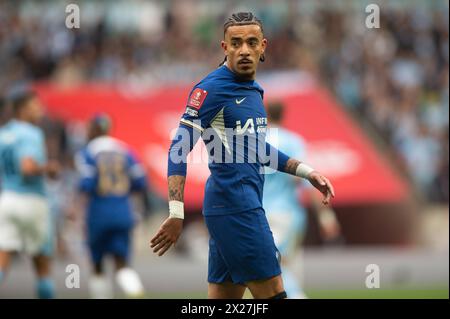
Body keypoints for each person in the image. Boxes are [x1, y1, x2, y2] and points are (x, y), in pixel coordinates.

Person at [150, 12, 335, 299]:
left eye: (251, 42)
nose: (244, 50)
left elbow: (257, 150)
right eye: (236, 43)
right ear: (225, 48)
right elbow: (178, 149)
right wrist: (176, 212)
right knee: (274, 293)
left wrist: (307, 172)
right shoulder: (210, 89)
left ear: (263, 46)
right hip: (237, 208)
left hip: (233, 207)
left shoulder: (253, 91)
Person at [263, 102, 341, 299]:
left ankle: (294, 293)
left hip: (259, 213)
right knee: (282, 264)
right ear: (283, 114)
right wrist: (326, 216)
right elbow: (305, 181)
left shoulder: (256, 141)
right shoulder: (293, 141)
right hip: (287, 214)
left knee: (273, 266)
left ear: (265, 113)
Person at [75, 114, 147, 298]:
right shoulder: (124, 149)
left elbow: (87, 184)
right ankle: (136, 293)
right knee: (122, 263)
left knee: (97, 264)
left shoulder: (88, 152)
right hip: (123, 210)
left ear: (93, 129)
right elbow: (140, 181)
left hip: (98, 212)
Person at [0, 91, 59, 298]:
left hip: (7, 200)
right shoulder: (30, 133)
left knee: (2, 261)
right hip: (31, 200)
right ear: (23, 109)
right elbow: (26, 167)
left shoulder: (4, 133)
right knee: (42, 266)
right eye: (36, 105)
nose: (40, 110)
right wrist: (49, 168)